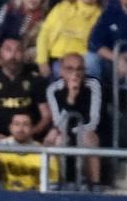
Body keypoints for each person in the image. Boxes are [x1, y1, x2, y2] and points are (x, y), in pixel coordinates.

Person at [0, 35, 50, 144]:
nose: (13, 55)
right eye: (8, 50)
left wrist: (31, 133)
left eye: (18, 50)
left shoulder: (35, 79)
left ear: (23, 53)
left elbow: (46, 116)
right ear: (0, 53)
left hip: (29, 139)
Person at [44, 53, 104, 185]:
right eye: (70, 69)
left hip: (86, 131)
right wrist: (71, 98)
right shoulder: (53, 89)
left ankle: (94, 184)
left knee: (89, 138)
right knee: (57, 140)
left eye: (79, 69)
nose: (75, 74)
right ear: (61, 71)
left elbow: (93, 121)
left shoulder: (93, 85)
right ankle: (58, 183)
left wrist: (74, 132)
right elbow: (57, 122)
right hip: (64, 132)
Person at [36, 0, 103, 72]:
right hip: (59, 58)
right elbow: (44, 34)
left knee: (91, 61)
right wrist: (42, 61)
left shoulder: (101, 16)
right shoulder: (62, 7)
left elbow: (96, 44)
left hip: (83, 60)